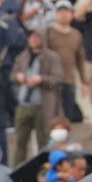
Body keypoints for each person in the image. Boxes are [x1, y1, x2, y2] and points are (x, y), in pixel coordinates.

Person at [11, 29, 62, 161]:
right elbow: (12, 75)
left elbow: (57, 79)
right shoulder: (23, 57)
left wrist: (41, 79)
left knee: (43, 141)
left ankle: (43, 169)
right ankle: (18, 171)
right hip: (24, 104)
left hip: (42, 105)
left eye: (36, 36)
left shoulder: (51, 57)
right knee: (20, 141)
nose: (33, 39)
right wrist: (18, 77)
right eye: (31, 37)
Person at [46, 0, 88, 123]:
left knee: (67, 115)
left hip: (69, 81)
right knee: (52, 116)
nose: (63, 14)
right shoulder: (48, 33)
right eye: (60, 11)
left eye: (66, 11)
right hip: (51, 81)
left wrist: (84, 82)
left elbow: (80, 59)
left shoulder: (76, 34)